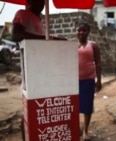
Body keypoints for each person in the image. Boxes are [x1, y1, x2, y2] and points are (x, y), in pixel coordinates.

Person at [11, 0, 65, 140]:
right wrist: (48, 39)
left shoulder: (38, 19)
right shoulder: (23, 14)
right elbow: (15, 34)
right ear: (29, 1)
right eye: (38, 0)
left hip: (42, 69)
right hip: (30, 69)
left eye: (43, 1)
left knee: (39, 110)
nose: (41, 3)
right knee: (28, 109)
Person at [76, 19, 102, 141]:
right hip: (74, 81)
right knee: (74, 106)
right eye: (79, 30)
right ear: (76, 31)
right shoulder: (72, 45)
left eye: (84, 30)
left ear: (88, 32)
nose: (81, 32)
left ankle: (85, 130)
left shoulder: (93, 45)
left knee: (87, 106)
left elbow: (98, 63)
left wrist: (99, 80)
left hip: (88, 79)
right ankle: (76, 128)